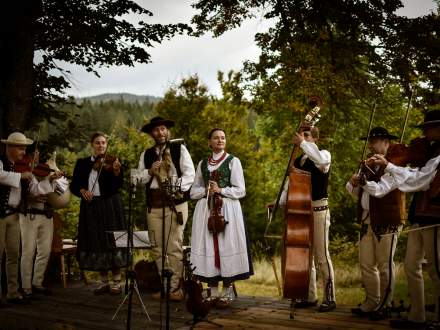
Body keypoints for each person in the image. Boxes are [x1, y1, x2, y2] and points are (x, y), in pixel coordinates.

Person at [362, 110, 440, 329]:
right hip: (420, 213)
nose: (425, 133)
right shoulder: (428, 151)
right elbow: (411, 180)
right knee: (411, 266)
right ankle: (417, 316)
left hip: (432, 214)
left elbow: (418, 181)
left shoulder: (437, 156)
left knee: (436, 269)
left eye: (429, 128)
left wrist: (391, 166)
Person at [132, 116, 195, 302]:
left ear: (167, 131)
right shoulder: (146, 154)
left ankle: (176, 287)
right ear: (151, 133)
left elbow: (189, 174)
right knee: (157, 249)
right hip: (153, 205)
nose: (160, 133)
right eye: (156, 130)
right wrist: (150, 172)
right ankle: (165, 286)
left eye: (162, 129)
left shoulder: (178, 148)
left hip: (175, 204)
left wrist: (175, 188)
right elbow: (138, 178)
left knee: (173, 247)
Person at [190, 128, 253, 308]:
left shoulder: (233, 161)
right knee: (209, 246)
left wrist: (221, 190)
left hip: (227, 209)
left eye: (223, 138)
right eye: (216, 138)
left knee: (226, 246)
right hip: (206, 210)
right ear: (209, 142)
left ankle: (226, 291)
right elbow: (193, 191)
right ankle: (212, 291)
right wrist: (206, 191)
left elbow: (241, 190)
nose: (220, 140)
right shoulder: (203, 163)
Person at [346, 127, 404, 320]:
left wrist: (362, 183)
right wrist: (354, 182)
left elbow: (380, 191)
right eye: (371, 141)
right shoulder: (366, 164)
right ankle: (372, 302)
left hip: (387, 221)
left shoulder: (395, 165)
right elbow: (353, 191)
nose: (371, 145)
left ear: (386, 143)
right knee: (366, 264)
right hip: (367, 220)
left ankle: (386, 305)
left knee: (384, 265)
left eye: (375, 141)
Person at [280, 126, 336, 312]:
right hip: (301, 210)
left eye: (306, 135)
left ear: (315, 139)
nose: (301, 138)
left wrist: (302, 144)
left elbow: (318, 160)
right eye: (301, 135)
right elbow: (291, 185)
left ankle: (330, 298)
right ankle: (310, 296)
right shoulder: (298, 160)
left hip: (319, 210)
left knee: (322, 255)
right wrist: (279, 202)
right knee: (306, 256)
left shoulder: (324, 155)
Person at [70, 132, 127, 295]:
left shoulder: (112, 161)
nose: (101, 145)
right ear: (92, 145)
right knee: (97, 240)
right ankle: (104, 282)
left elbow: (118, 185)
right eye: (97, 143)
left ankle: (116, 281)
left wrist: (116, 172)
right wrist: (82, 190)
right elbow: (74, 185)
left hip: (110, 205)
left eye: (103, 143)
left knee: (113, 240)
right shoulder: (82, 163)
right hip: (91, 206)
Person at [19, 144, 67, 299]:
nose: (37, 156)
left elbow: (58, 192)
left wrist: (55, 179)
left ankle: (37, 283)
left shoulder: (44, 170)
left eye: (38, 153)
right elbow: (33, 191)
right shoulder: (24, 172)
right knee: (28, 251)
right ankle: (26, 287)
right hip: (29, 215)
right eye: (34, 153)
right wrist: (49, 180)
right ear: (28, 155)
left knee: (44, 251)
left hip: (46, 215)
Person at [0, 132, 34, 305]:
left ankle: (13, 292)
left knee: (14, 254)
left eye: (24, 148)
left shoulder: (19, 165)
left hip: (13, 215)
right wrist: (21, 176)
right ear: (10, 147)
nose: (23, 152)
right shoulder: (0, 162)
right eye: (21, 148)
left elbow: (29, 188)